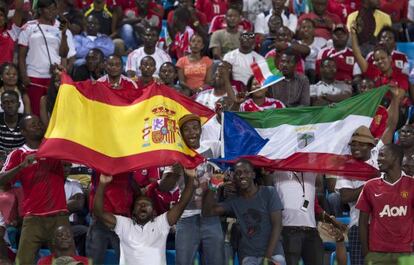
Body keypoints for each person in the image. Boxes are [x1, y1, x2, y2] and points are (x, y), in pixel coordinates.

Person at [335, 87, 403, 265]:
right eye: (353, 144)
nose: (355, 147)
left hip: (384, 224)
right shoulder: (346, 167)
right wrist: (373, 181)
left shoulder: (378, 155)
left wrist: (395, 99)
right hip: (359, 227)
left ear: (371, 146)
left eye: (360, 144)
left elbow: (391, 125)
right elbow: (345, 196)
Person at [0, 115, 69, 264]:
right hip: (33, 219)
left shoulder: (55, 150)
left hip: (59, 216)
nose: (38, 126)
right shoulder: (18, 154)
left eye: (39, 123)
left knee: (68, 261)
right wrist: (21, 166)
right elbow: (1, 180)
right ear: (23, 131)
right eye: (33, 125)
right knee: (23, 261)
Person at [93, 168, 195, 264]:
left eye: (147, 204)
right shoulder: (124, 224)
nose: (142, 205)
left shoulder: (161, 223)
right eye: (139, 204)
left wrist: (190, 177)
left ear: (154, 212)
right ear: (133, 212)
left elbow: (182, 203)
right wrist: (102, 184)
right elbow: (99, 212)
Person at [162, 114, 224, 265]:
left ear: (201, 131)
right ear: (181, 133)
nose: (192, 133)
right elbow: (164, 187)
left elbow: (232, 145)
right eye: (187, 130)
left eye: (195, 128)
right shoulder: (175, 154)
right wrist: (175, 171)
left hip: (211, 217)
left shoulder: (213, 147)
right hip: (186, 218)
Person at [202, 159, 286, 265]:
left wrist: (267, 258)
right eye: (238, 173)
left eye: (246, 172)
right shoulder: (234, 201)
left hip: (273, 255)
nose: (242, 176)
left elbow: (277, 225)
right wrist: (213, 186)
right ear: (234, 177)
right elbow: (207, 212)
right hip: (249, 257)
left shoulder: (269, 192)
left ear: (253, 175)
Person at [356, 144, 414, 264]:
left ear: (395, 158)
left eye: (382, 155)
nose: (378, 159)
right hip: (377, 253)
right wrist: (367, 253)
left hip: (406, 252)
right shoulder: (370, 186)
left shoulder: (412, 184)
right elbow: (362, 222)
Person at [18, 0, 76, 116]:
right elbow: (21, 56)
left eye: (54, 9)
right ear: (40, 10)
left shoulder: (62, 29)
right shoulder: (29, 27)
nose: (51, 11)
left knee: (55, 114)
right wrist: (24, 75)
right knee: (36, 113)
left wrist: (64, 34)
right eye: (48, 8)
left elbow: (64, 54)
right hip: (34, 76)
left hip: (55, 79)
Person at [351, 25, 410, 106]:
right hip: (375, 107)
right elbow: (357, 54)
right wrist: (353, 35)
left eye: (383, 58)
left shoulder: (400, 76)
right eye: (377, 60)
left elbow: (399, 96)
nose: (380, 61)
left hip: (395, 109)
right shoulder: (373, 72)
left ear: (390, 58)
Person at [297, 18, 327, 83]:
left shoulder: (322, 41)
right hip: (302, 71)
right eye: (303, 27)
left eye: (309, 27)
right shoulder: (297, 44)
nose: (306, 29)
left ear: (314, 30)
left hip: (318, 72)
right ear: (299, 30)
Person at [0, 0, 23, 66]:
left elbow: (19, 8)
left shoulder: (12, 31)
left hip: (6, 73)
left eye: (1, 15)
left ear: (5, 18)